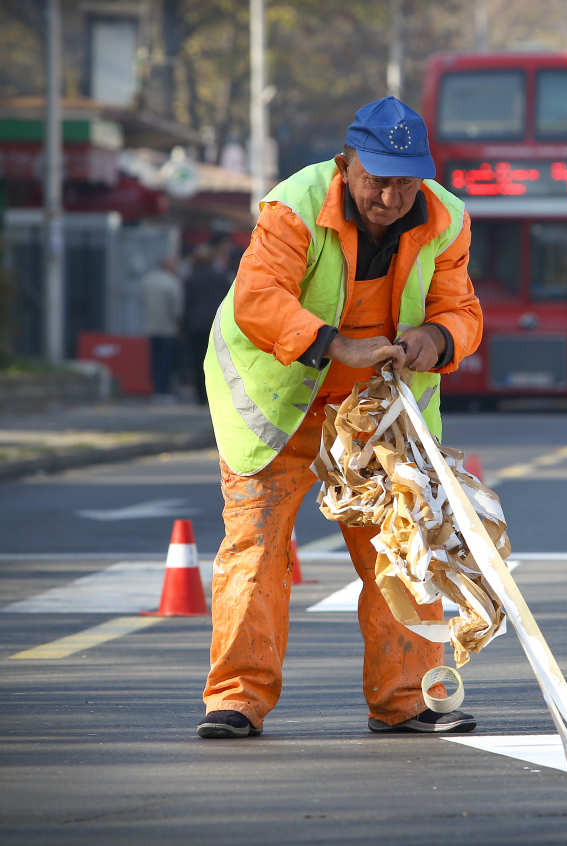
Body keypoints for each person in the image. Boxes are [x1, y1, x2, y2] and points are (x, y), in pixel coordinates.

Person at [198, 96, 482, 740]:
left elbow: (461, 308)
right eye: (376, 180)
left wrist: (435, 339)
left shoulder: (446, 219)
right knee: (257, 552)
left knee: (403, 552)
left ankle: (406, 698)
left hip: (376, 416)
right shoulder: (292, 208)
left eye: (405, 183)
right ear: (346, 164)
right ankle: (236, 699)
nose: (389, 197)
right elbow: (258, 299)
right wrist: (335, 344)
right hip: (281, 405)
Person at [182, 240, 234, 405]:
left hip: (196, 325)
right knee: (218, 361)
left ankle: (200, 395)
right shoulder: (221, 277)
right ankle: (215, 394)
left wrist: (184, 327)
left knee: (198, 361)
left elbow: (187, 304)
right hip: (217, 324)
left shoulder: (191, 279)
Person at [141, 256, 183, 400]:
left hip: (151, 327)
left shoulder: (147, 281)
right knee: (166, 361)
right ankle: (164, 391)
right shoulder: (171, 283)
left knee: (154, 360)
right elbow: (176, 308)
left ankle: (156, 390)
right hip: (168, 328)